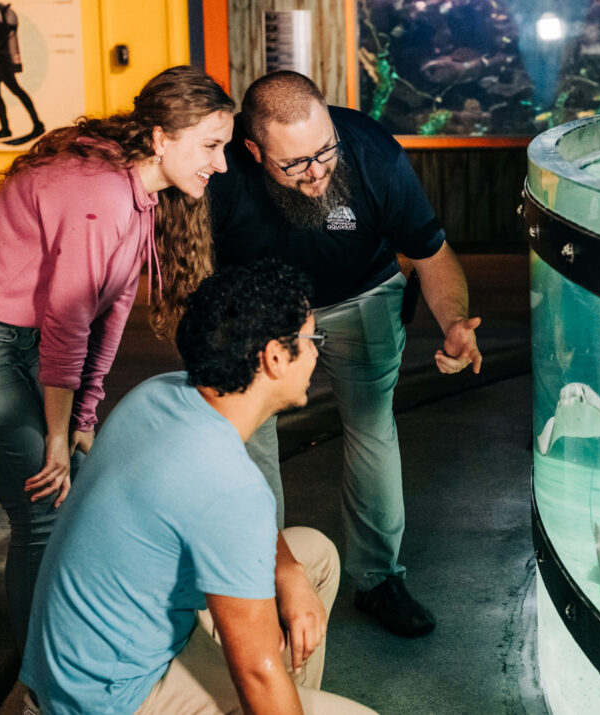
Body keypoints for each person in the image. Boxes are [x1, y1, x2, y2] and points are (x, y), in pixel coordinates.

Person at [20, 259, 376, 715]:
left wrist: (286, 572)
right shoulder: (227, 482)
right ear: (273, 357)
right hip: (105, 699)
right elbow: (256, 669)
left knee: (314, 555)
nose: (317, 354)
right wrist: (265, 679)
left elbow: (224, 514)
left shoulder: (162, 394)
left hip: (81, 662)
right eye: (312, 340)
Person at [208, 70, 482, 637]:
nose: (317, 173)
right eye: (295, 164)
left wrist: (454, 322)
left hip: (363, 294)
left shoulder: (373, 154)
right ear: (254, 149)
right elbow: (193, 270)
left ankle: (379, 580)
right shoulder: (218, 169)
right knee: (250, 441)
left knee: (372, 427)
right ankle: (263, 579)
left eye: (324, 151)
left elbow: (430, 254)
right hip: (261, 309)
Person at [0, 65, 234, 654]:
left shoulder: (141, 194)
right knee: (45, 507)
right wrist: (57, 431)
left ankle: (57, 650)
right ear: (160, 138)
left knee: (65, 499)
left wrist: (83, 417)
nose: (221, 163)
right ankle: (37, 682)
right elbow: (68, 319)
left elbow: (115, 308)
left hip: (28, 343)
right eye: (211, 145)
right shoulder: (99, 193)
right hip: (4, 341)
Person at [0, 3, 43, 143]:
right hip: (3, 57)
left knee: (15, 89)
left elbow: (10, 37)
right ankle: (6, 128)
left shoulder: (6, 14)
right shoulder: (8, 13)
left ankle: (36, 123)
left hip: (2, 58)